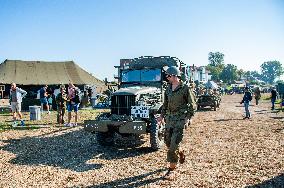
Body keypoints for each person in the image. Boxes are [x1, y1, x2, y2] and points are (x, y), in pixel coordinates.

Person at [157, 66, 196, 181]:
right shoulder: (168, 89)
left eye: (168, 76)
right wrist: (161, 116)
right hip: (169, 120)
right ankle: (181, 152)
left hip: (180, 119)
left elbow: (193, 105)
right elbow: (165, 105)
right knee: (168, 141)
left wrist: (188, 118)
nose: (166, 78)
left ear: (174, 75)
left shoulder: (185, 88)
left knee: (173, 145)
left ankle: (171, 169)